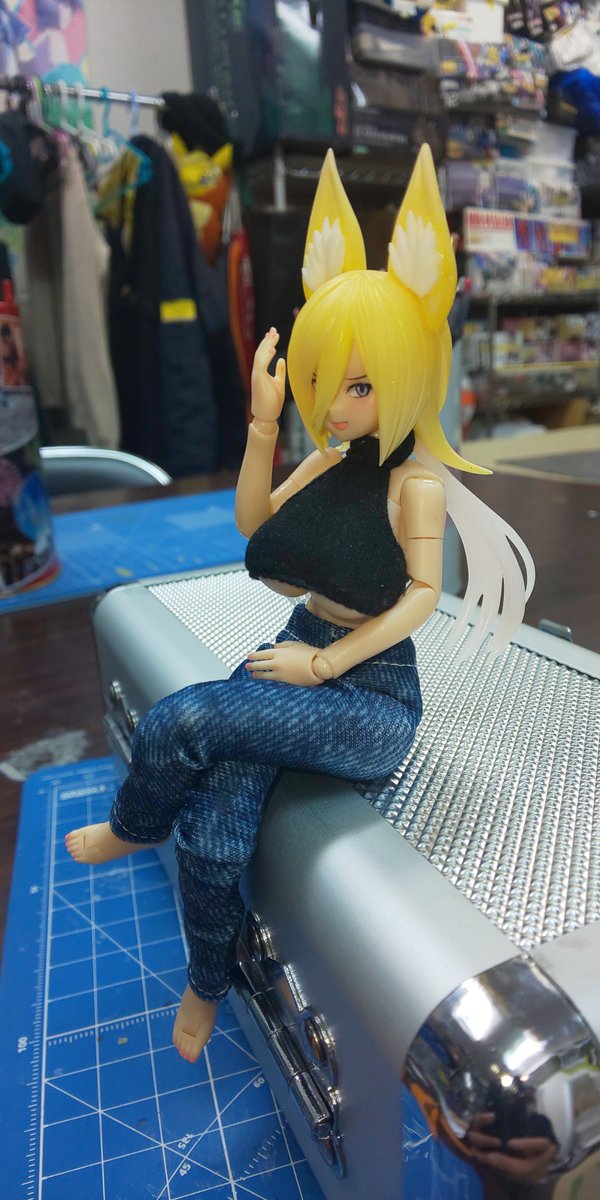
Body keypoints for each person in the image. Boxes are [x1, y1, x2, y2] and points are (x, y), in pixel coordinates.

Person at [65, 146, 533, 1063]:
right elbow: (255, 526)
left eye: (358, 385)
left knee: (184, 719)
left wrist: (324, 663)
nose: (337, 405)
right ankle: (207, 982)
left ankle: (132, 822)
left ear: (405, 376)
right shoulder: (324, 457)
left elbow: (424, 598)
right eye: (325, 382)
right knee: (218, 823)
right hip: (298, 645)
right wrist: (264, 423)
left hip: (371, 697)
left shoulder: (416, 487)